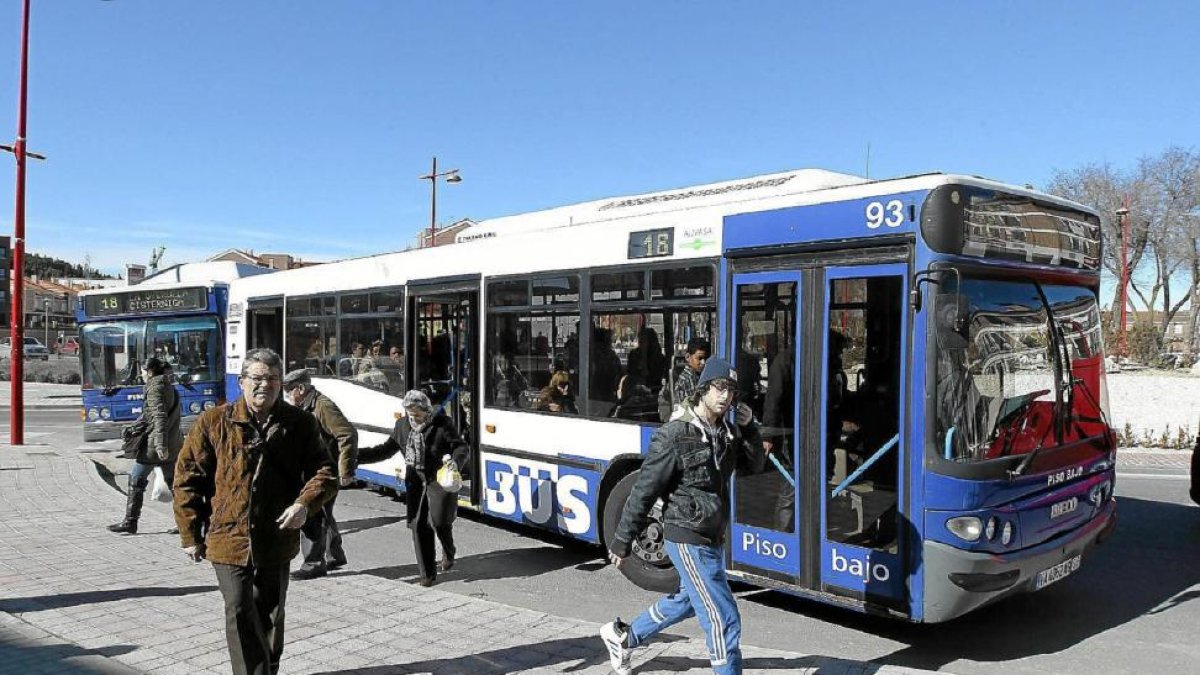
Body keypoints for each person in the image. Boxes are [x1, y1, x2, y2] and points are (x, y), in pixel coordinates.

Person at [173, 348, 337, 675]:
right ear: (242, 381)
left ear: (281, 384)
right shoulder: (213, 421)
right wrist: (190, 534)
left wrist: (304, 504)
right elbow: (187, 478)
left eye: (272, 379)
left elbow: (326, 471)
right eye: (257, 379)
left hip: (277, 535)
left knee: (271, 613)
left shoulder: (299, 423)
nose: (265, 385)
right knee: (238, 609)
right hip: (227, 537)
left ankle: (267, 669)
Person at [602, 357, 765, 675]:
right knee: (722, 617)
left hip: (713, 534)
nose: (725, 396)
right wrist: (622, 541)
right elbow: (644, 489)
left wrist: (751, 430)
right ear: (704, 388)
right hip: (686, 533)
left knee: (689, 599)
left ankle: (625, 637)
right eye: (719, 387)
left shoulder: (727, 431)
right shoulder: (676, 434)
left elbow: (755, 465)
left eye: (731, 390)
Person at [357, 390, 470, 586]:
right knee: (418, 525)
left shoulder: (442, 424)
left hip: (439, 476)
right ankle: (427, 574)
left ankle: (448, 549)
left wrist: (455, 463)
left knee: (440, 520)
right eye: (409, 414)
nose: (413, 418)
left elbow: (461, 447)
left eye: (417, 414)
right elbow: (385, 450)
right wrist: (355, 456)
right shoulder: (402, 426)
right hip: (415, 479)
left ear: (427, 411)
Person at [282, 370, 358, 580]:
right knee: (324, 512)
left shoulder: (322, 406)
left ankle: (313, 564)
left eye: (289, 392)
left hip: (325, 471)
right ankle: (334, 555)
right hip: (314, 469)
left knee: (312, 514)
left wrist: (346, 470)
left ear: (301, 389)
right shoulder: (307, 406)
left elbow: (347, 434)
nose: (287, 396)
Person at [107, 357, 182, 534]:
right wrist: (134, 427)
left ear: (149, 372)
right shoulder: (168, 385)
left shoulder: (155, 388)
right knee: (175, 484)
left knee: (136, 479)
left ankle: (130, 522)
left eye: (141, 371)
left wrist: (159, 445)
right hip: (171, 443)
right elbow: (151, 416)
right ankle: (185, 523)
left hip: (155, 445)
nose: (140, 374)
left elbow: (159, 417)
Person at [658, 337, 710, 422]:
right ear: (688, 357)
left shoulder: (697, 375)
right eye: (699, 358)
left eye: (705, 359)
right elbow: (694, 410)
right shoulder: (687, 379)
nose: (703, 363)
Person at [625, 327, 667, 393]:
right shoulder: (634, 355)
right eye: (640, 340)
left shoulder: (659, 358)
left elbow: (658, 378)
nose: (641, 343)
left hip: (653, 391)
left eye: (644, 341)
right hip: (635, 391)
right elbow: (630, 374)